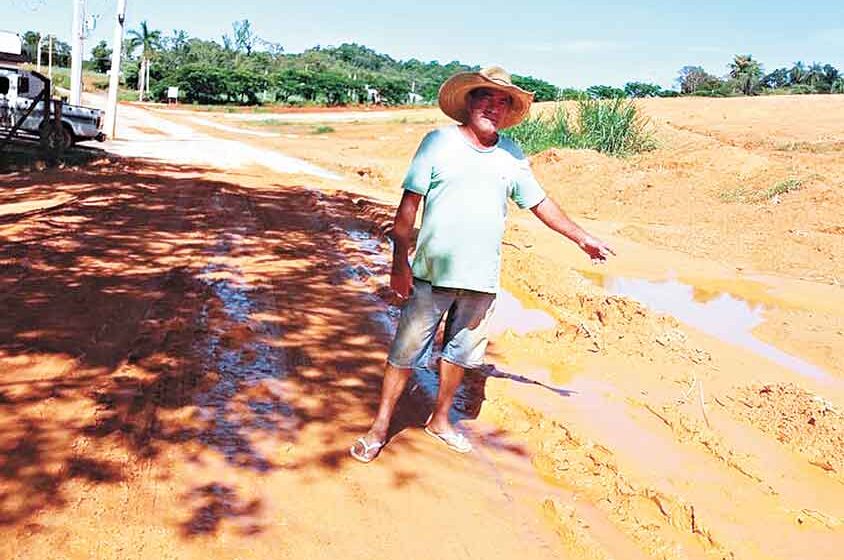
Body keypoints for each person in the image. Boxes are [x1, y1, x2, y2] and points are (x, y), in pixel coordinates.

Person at [350, 66, 614, 463]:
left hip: (480, 280)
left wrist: (582, 237)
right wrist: (399, 264)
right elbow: (408, 209)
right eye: (486, 98)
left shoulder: (512, 155)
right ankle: (379, 427)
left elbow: (539, 202)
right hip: (431, 275)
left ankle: (440, 419)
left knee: (460, 353)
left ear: (508, 111)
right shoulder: (437, 142)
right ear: (469, 102)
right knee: (404, 354)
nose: (493, 107)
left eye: (502, 102)